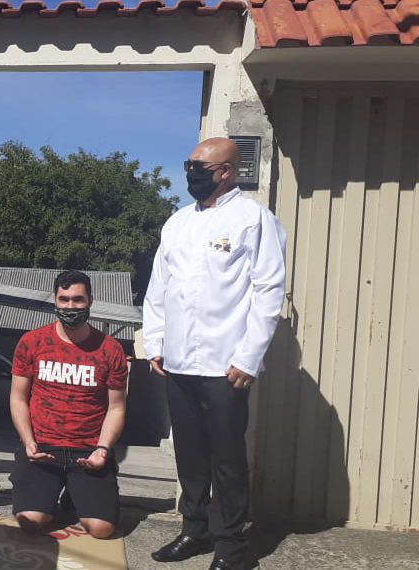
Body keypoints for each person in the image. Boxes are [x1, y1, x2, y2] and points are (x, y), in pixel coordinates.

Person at [143, 137, 286, 570]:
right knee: (189, 453)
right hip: (178, 360)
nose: (191, 174)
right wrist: (156, 342)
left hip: (226, 363)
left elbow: (268, 291)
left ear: (226, 171)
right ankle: (194, 528)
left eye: (199, 168)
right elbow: (158, 288)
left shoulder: (253, 220)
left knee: (226, 458)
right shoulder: (177, 222)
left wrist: (249, 356)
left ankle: (231, 546)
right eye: (189, 165)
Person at [8, 270, 128, 540]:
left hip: (87, 451)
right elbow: (18, 397)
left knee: (101, 529)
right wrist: (28, 442)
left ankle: (74, 498)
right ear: (55, 300)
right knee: (31, 522)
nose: (70, 307)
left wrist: (103, 449)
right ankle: (48, 496)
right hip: (42, 449)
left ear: (90, 301)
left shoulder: (111, 350)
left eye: (77, 300)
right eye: (64, 300)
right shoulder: (31, 342)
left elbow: (117, 408)